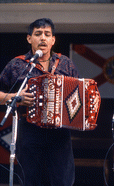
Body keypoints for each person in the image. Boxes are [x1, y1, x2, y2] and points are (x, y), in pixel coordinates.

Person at [0, 18, 79, 186]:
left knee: (62, 180)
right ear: (29, 39)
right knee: (30, 179)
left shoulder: (65, 63)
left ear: (53, 40)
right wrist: (15, 96)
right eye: (38, 34)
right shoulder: (17, 64)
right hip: (30, 131)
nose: (43, 38)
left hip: (60, 132)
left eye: (47, 34)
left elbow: (78, 94)